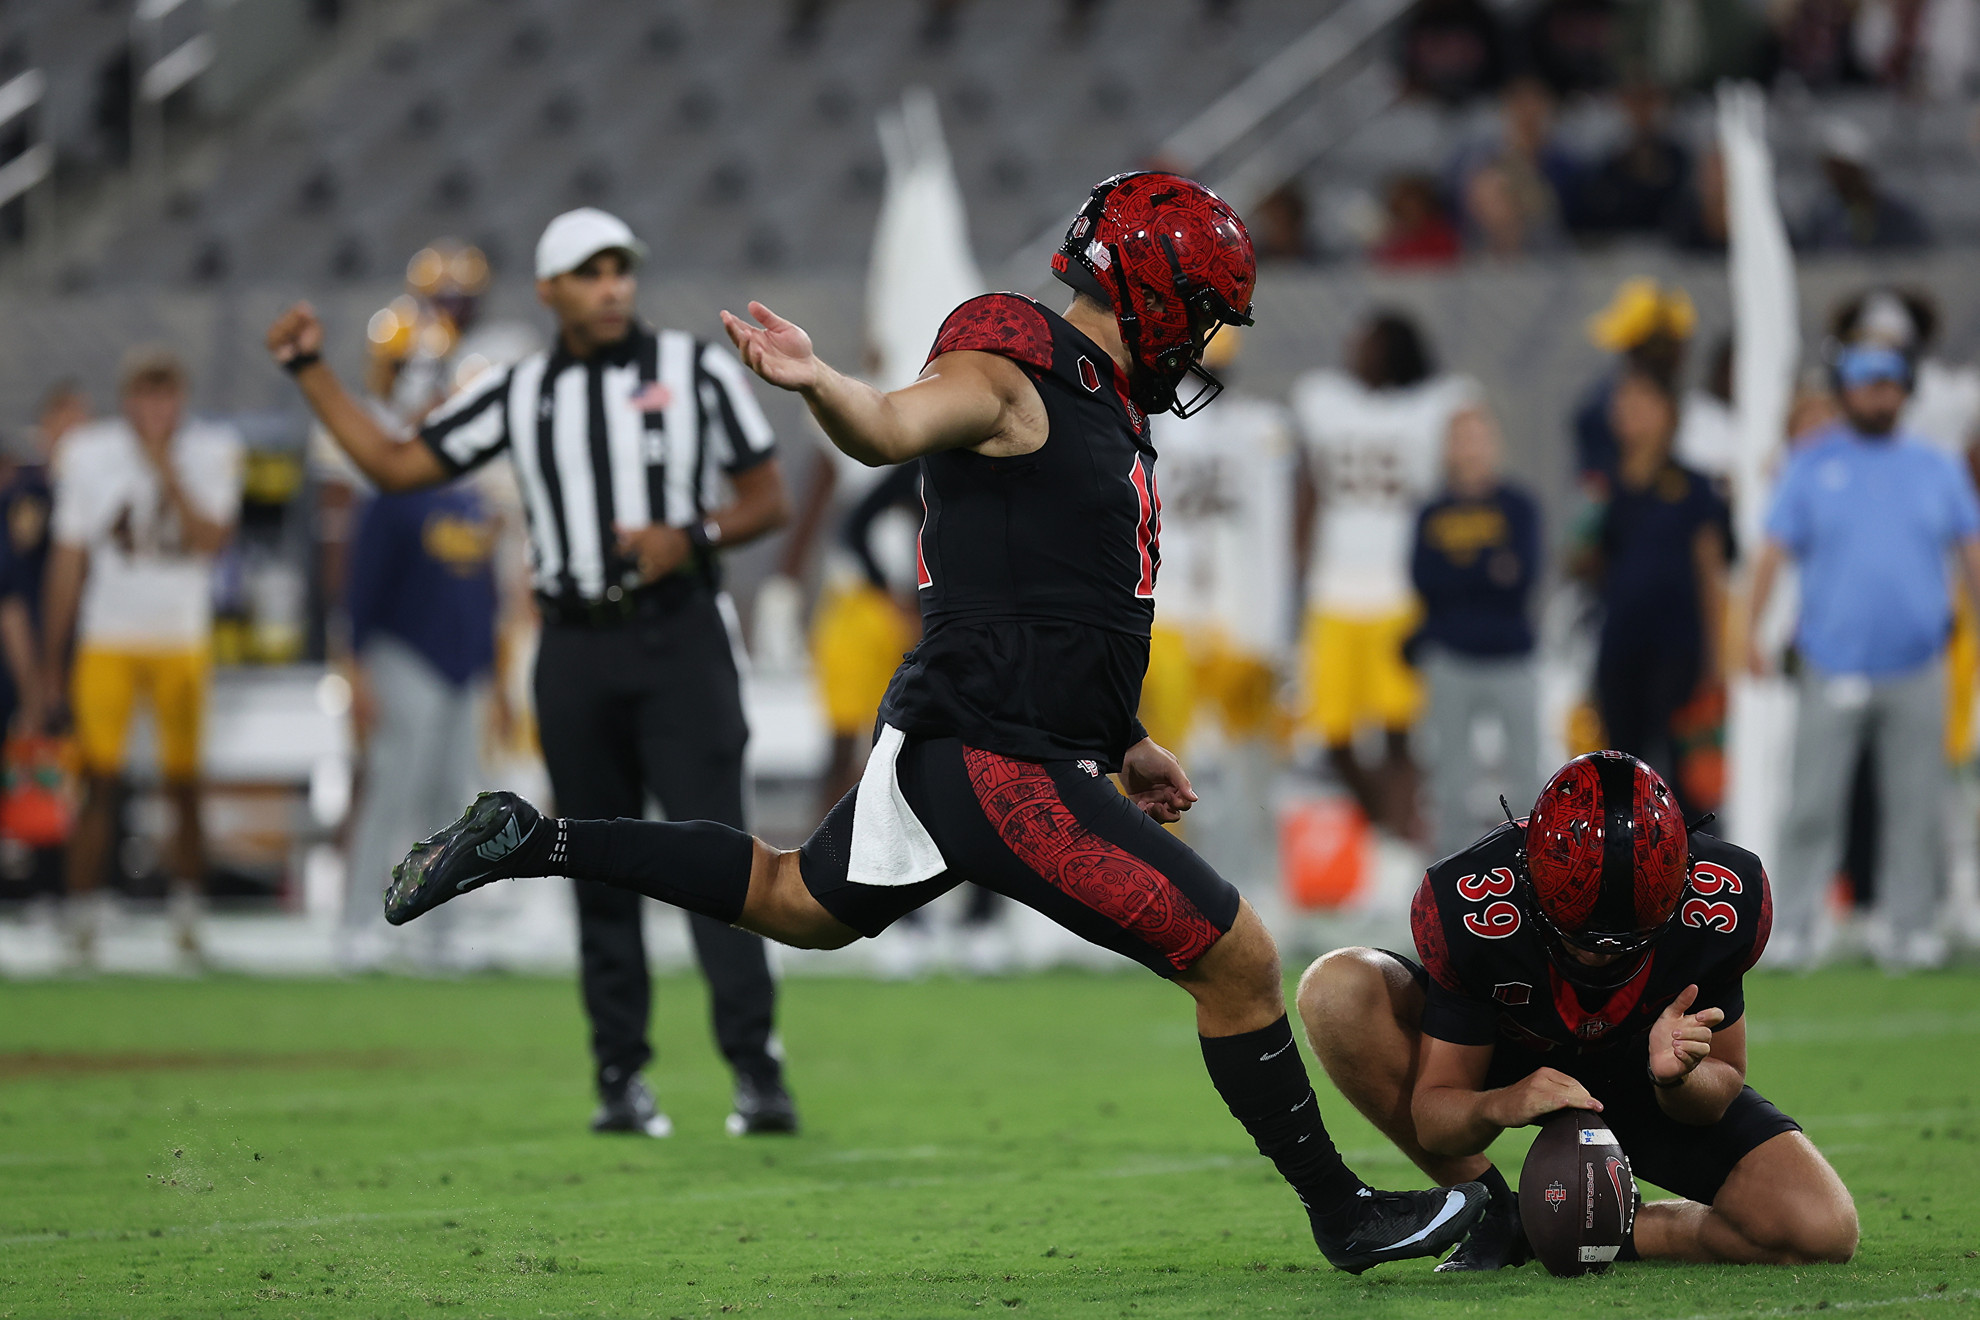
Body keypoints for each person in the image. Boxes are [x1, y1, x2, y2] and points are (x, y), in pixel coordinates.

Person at [368, 172, 1489, 1273]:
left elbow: (1059, 594)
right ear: (1149, 289)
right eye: (1198, 311)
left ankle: (533, 838)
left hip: (971, 735)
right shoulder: (1009, 366)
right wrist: (819, 381)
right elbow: (888, 425)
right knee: (1235, 955)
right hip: (999, 754)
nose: (1201, 340)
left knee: (793, 901)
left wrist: (1122, 735)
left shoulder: (1095, 393)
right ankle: (1344, 1212)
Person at [265, 207, 800, 1137]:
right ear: (550, 290)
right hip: (575, 646)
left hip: (681, 639)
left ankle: (756, 1070)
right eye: (590, 272)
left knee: (718, 853)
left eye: (621, 269)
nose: (612, 287)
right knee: (592, 863)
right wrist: (311, 369)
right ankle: (620, 1077)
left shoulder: (695, 369)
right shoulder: (519, 391)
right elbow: (394, 464)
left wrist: (693, 535)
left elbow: (768, 497)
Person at [1296, 751, 1859, 1270]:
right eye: (1577, 938)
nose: (1599, 957)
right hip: (1510, 1050)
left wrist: (1678, 1078)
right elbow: (1436, 1121)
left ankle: (1592, 1230)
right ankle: (1493, 1209)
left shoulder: (1719, 905)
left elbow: (1722, 1081)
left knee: (1822, 1230)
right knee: (1337, 989)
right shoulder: (1474, 908)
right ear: (1529, 879)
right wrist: (1501, 1103)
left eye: (1627, 943)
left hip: (1639, 1073)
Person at [1746, 319, 1980, 972]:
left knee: (1916, 805)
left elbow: (1970, 551)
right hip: (1831, 661)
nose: (1878, 393)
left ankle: (1910, 928)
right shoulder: (1811, 463)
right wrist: (1750, 631)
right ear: (1846, 387)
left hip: (1919, 663)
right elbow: (1770, 553)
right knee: (1812, 802)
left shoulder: (1937, 466)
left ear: (1905, 388)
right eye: (1866, 381)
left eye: (1889, 381)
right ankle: (1793, 927)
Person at [40, 348, 242, 968]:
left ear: (181, 400)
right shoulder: (89, 453)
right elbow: (69, 559)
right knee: (98, 781)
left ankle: (188, 916)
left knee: (185, 784)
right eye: (145, 396)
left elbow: (212, 541)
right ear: (127, 401)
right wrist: (52, 658)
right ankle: (82, 916)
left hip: (180, 637)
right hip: (108, 635)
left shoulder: (212, 450)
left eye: (166, 395)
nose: (155, 409)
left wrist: (168, 472)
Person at [1293, 311, 1477, 837]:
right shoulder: (1324, 400)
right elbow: (1310, 486)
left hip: (1400, 591)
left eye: (1369, 341)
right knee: (1332, 735)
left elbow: (1464, 468)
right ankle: (1387, 830)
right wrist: (1299, 561)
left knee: (1400, 732)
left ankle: (1397, 837)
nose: (1355, 348)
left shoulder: (1435, 404)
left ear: (1396, 350)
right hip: (1332, 590)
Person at [338, 471, 502, 971]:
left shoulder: (472, 500)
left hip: (464, 670)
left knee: (455, 804)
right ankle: (359, 924)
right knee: (391, 792)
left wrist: (491, 671)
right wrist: (355, 665)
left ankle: (441, 931)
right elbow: (362, 583)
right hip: (404, 656)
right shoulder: (392, 496)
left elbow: (485, 593)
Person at [1580, 365, 1730, 791]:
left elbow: (1710, 570)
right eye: (1623, 402)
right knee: (1619, 770)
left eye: (1642, 400)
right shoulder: (1604, 485)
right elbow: (1585, 564)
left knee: (1680, 774)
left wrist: (1717, 658)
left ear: (1668, 412)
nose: (1630, 411)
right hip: (1619, 643)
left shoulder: (1693, 485)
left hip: (1677, 647)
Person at [1410, 404, 1542, 858]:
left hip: (1511, 657)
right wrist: (1488, 568)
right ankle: (1450, 870)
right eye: (1460, 438)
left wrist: (1460, 573)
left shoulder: (1519, 506)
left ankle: (1533, 868)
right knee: (1450, 779)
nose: (1470, 448)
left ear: (1494, 443)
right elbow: (1424, 580)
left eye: (1477, 437)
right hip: (1450, 658)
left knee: (1526, 773)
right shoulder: (1432, 512)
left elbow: (1523, 578)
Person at [0, 382, 89, 737]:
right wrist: (33, 687)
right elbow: (11, 599)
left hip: (81, 661)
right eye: (65, 429)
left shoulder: (99, 500)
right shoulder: (28, 496)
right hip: (24, 663)